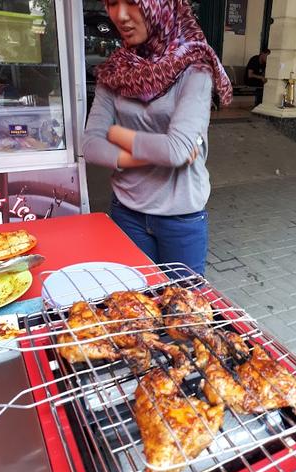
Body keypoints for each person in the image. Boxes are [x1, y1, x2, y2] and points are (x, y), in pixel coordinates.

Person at [82, 0, 232, 276]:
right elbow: (91, 146)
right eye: (113, 4)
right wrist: (152, 153)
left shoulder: (195, 68)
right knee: (134, 306)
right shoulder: (115, 71)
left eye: (133, 3)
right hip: (127, 211)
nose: (121, 15)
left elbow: (176, 151)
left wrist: (117, 134)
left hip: (181, 218)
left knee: (185, 310)